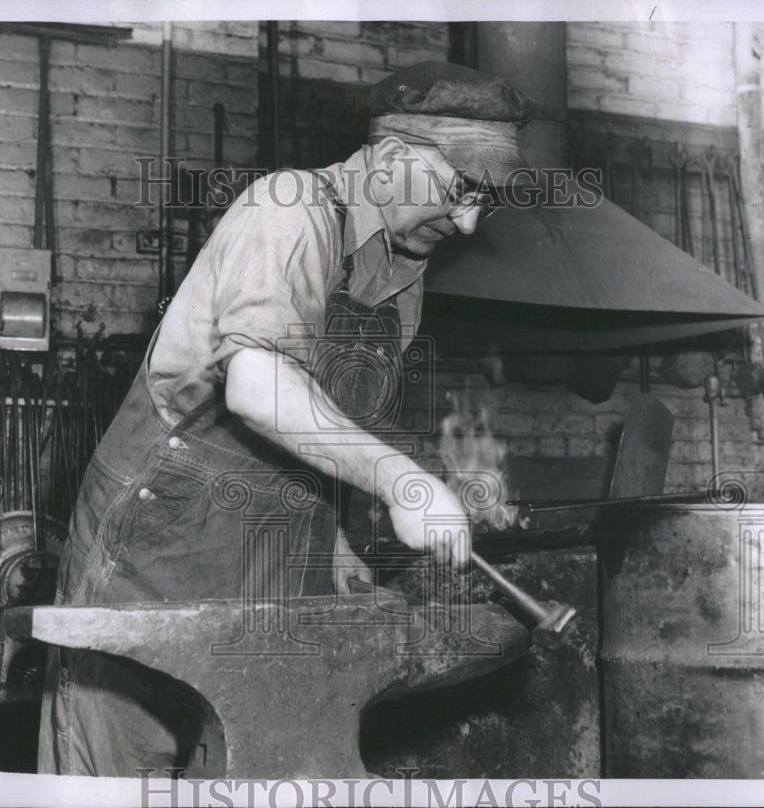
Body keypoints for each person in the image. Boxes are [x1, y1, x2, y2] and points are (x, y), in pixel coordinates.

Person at [38, 61, 532, 778]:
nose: (468, 222)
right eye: (461, 192)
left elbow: (318, 428)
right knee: (123, 775)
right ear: (393, 159)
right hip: (158, 552)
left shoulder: (400, 273)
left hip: (271, 564)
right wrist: (403, 483)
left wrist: (333, 546)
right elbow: (259, 387)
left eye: (484, 202)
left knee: (250, 771)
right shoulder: (288, 208)